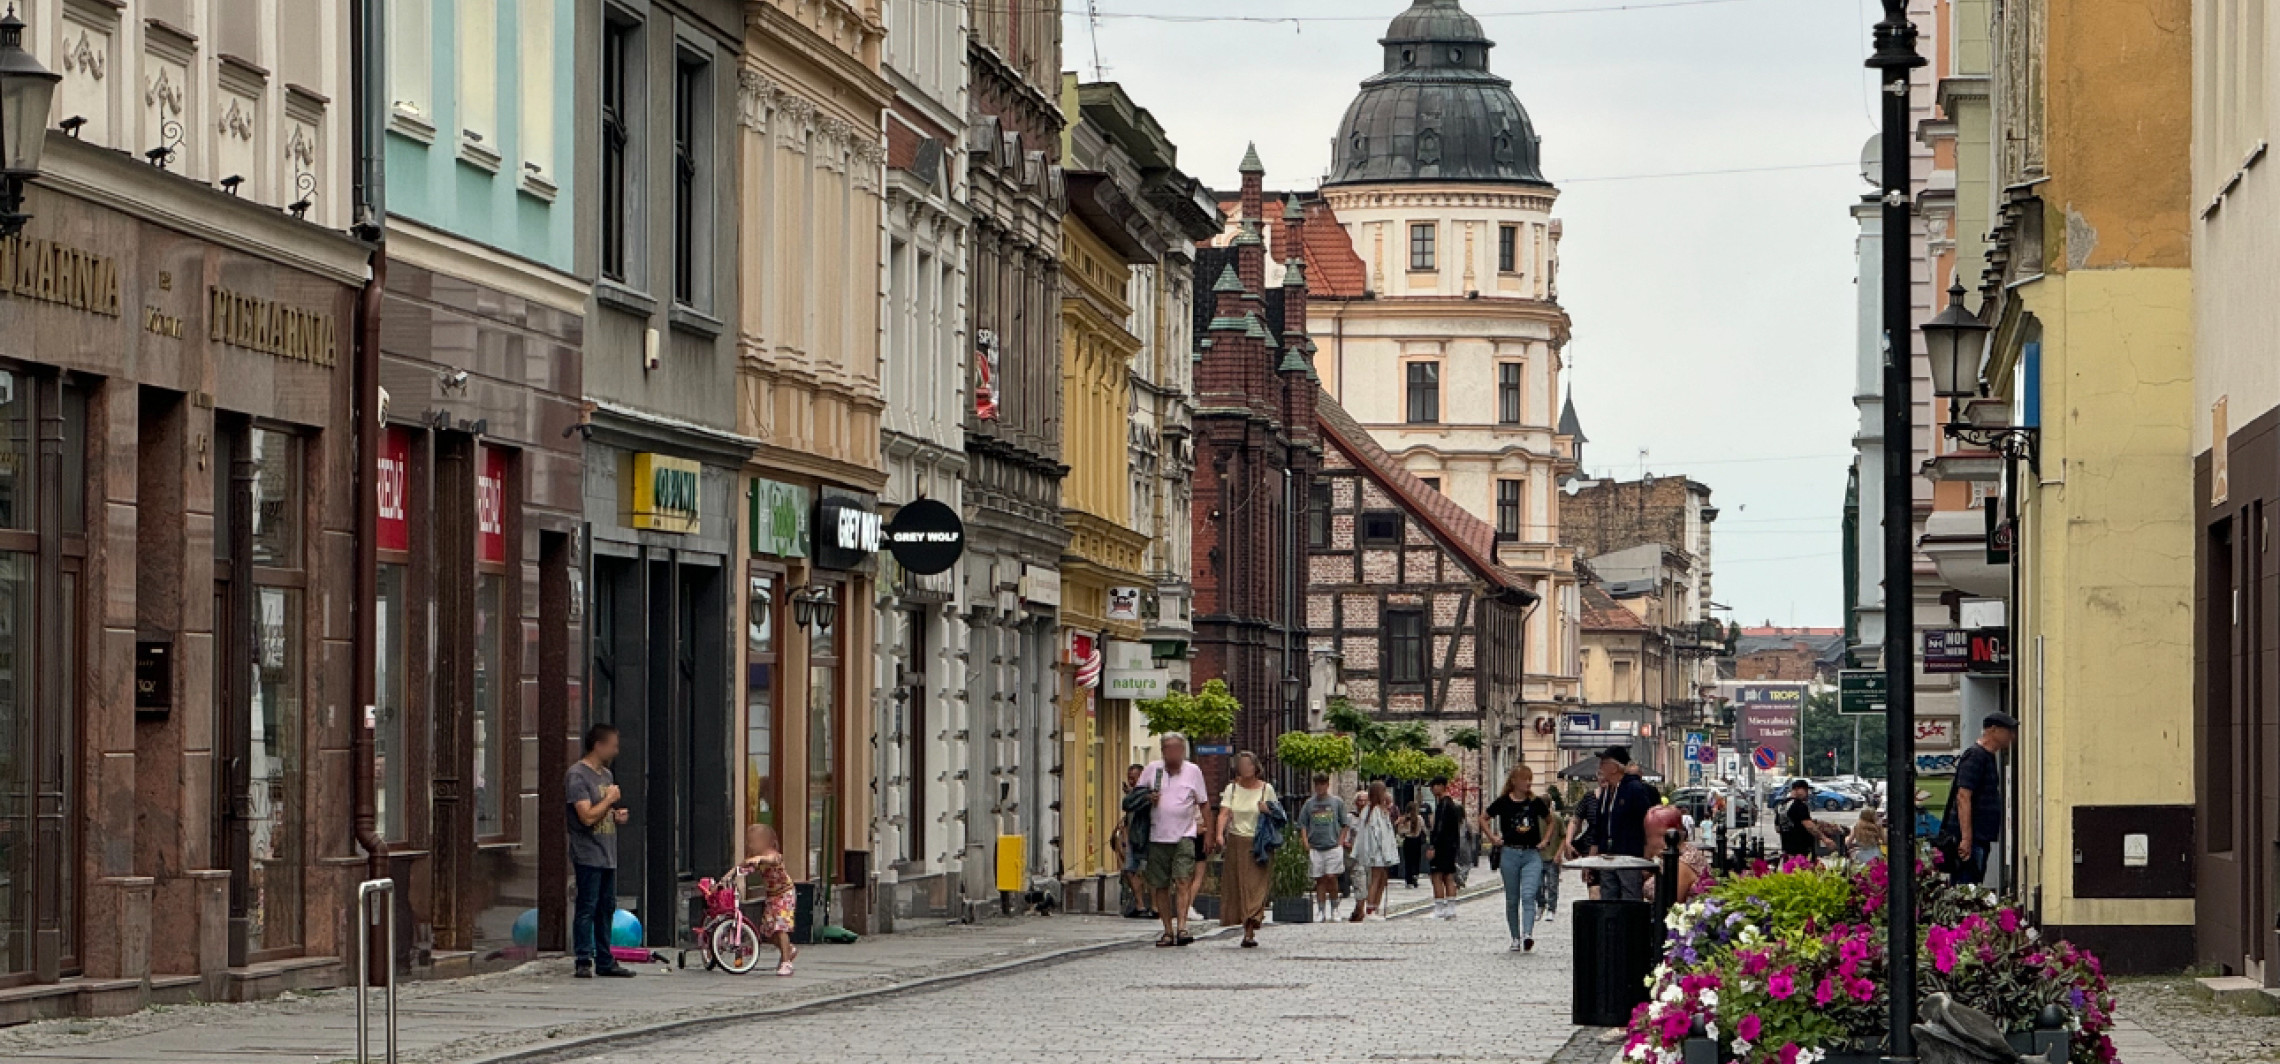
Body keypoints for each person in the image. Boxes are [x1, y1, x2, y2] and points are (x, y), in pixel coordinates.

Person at [566, 723, 635, 978]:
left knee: (606, 907)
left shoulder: (605, 775)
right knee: (587, 906)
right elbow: (585, 816)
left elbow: (601, 812)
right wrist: (609, 801)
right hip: (588, 852)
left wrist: (616, 815)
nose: (616, 751)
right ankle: (583, 959)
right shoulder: (578, 776)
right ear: (599, 745)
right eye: (613, 745)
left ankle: (605, 959)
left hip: (607, 853)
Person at [1136, 732, 1210, 947]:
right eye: (1169, 748)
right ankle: (1167, 929)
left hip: (1184, 835)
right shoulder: (1152, 770)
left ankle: (1183, 927)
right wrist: (1148, 798)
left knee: (1183, 880)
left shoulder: (1193, 771)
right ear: (1163, 751)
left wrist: (1210, 834)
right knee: (1160, 885)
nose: (1174, 752)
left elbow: (1204, 802)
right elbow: (1135, 798)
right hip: (1156, 836)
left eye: (1178, 748)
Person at [1481, 766, 1555, 952]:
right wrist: (1492, 838)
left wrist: (1545, 840)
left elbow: (1550, 820)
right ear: (1514, 781)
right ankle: (1515, 937)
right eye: (1524, 779)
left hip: (1531, 854)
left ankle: (1527, 934)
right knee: (1512, 899)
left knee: (1529, 894)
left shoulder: (1535, 802)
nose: (1528, 783)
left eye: (1530, 779)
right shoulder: (1503, 802)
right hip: (1510, 853)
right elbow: (1483, 818)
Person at [1213, 751, 1278, 947]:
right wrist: (1218, 834)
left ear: (1256, 767)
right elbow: (1223, 813)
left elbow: (1277, 813)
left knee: (1256, 885)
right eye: (1241, 764)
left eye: (1248, 764)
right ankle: (1247, 928)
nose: (1244, 768)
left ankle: (1252, 921)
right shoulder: (1232, 789)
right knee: (1239, 885)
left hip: (1259, 843)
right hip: (1237, 842)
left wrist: (1267, 809)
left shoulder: (1266, 789)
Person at [1949, 712, 2017, 885]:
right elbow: (1963, 796)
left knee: (1974, 882)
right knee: (1967, 885)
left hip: (1981, 836)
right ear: (1993, 730)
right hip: (1973, 838)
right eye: (2008, 730)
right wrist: (1966, 838)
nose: (2012, 736)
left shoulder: (1987, 757)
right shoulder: (1975, 756)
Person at [1588, 747, 1657, 902]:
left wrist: (1647, 857)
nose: (1600, 767)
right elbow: (1598, 828)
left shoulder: (1634, 789)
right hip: (1607, 857)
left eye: (1603, 763)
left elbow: (1647, 822)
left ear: (1614, 768)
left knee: (1630, 899)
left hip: (1629, 856)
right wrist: (1592, 860)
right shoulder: (1606, 792)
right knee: (1608, 900)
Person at [738, 824, 799, 975]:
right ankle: (789, 949)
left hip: (785, 894)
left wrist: (760, 858)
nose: (751, 845)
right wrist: (723, 880)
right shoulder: (755, 860)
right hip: (771, 896)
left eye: (754, 841)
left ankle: (786, 962)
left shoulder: (773, 855)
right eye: (749, 842)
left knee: (780, 927)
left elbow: (772, 859)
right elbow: (738, 869)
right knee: (768, 932)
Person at [1298, 773, 1352, 922]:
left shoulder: (1336, 802)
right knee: (1319, 879)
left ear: (1327, 785)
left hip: (1332, 845)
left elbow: (1345, 823)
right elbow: (1302, 824)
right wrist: (1305, 842)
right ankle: (1321, 910)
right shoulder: (1309, 804)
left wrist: (1340, 840)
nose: (1320, 788)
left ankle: (1334, 907)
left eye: (1322, 784)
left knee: (1331, 877)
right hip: (1316, 846)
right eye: (1317, 785)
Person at [1351, 782, 1400, 920]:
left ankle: (1375, 906)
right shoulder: (1373, 811)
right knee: (1376, 878)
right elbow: (1378, 834)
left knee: (1382, 879)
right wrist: (1385, 853)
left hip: (1381, 852)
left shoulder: (1379, 810)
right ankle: (1371, 909)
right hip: (1377, 852)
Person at [1641, 805, 1712, 902]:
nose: (1646, 841)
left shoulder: (1682, 863)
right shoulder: (1681, 853)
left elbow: (1670, 904)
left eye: (1649, 836)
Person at [1115, 763, 1153, 919]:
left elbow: (1129, 805)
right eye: (1129, 778)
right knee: (1129, 870)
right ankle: (1140, 905)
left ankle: (1153, 907)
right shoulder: (1135, 794)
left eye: (1133, 778)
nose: (1131, 781)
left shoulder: (1146, 794)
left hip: (1144, 839)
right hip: (1133, 837)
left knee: (1149, 874)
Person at [1427, 778, 1465, 919]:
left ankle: (1439, 909)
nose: (1431, 789)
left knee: (1437, 876)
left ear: (1441, 786)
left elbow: (1440, 828)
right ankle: (1451, 908)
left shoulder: (1443, 805)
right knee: (1449, 877)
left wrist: (1433, 846)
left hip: (1442, 847)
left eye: (1434, 786)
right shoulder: (1451, 804)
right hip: (1451, 846)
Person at [1777, 779, 1834, 859]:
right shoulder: (1799, 805)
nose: (1807, 793)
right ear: (1797, 790)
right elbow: (1808, 825)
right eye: (1806, 790)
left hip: (1787, 849)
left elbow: (1777, 828)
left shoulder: (1781, 805)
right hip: (1801, 850)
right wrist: (1824, 839)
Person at [1396, 801, 1427, 888]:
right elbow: (1424, 829)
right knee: (1416, 860)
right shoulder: (1419, 818)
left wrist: (1405, 830)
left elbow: (1400, 831)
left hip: (1408, 841)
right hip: (1417, 841)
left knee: (1408, 861)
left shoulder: (1404, 819)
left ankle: (1409, 880)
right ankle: (1415, 875)